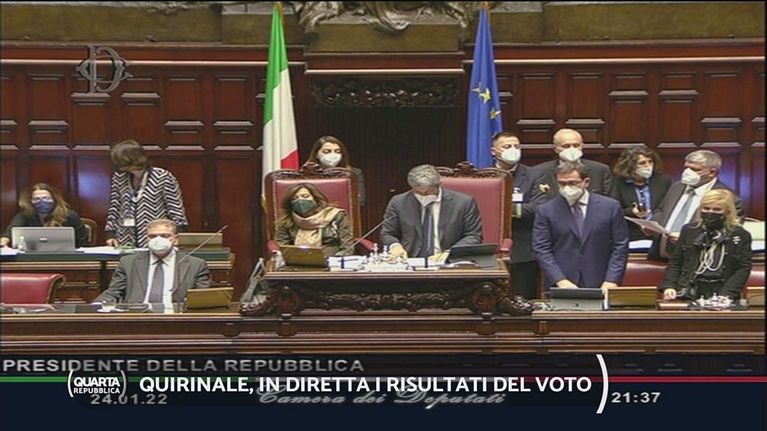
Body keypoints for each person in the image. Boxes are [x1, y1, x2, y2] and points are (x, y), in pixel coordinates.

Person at [533, 161, 629, 290]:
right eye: (562, 183)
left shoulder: (610, 207)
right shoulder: (546, 210)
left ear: (586, 182)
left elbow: (620, 246)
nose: (567, 188)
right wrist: (560, 280)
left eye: (573, 183)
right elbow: (542, 249)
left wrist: (611, 280)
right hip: (562, 284)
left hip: (601, 281)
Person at [647, 149, 744, 261]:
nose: (687, 172)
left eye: (695, 169)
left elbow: (727, 233)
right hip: (660, 258)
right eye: (686, 168)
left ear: (712, 172)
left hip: (697, 261)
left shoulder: (729, 199)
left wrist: (688, 239)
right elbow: (661, 211)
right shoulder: (676, 187)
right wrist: (652, 226)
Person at [491, 132, 555, 299]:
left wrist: (500, 208)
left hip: (523, 248)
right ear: (494, 151)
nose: (513, 150)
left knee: (523, 299)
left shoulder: (535, 175)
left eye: (516, 146)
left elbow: (538, 208)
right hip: (490, 247)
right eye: (507, 146)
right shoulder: (483, 174)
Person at [660, 189, 752, 300]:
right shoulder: (689, 230)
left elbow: (743, 268)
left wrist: (727, 293)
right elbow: (676, 261)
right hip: (689, 289)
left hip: (723, 291)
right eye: (706, 208)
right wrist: (669, 286)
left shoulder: (740, 234)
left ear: (728, 212)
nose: (710, 212)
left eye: (717, 209)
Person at [94, 219, 210, 304]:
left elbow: (202, 299)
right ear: (147, 239)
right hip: (137, 317)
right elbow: (114, 292)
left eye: (165, 236)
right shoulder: (128, 262)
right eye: (153, 236)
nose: (158, 240)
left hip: (177, 318)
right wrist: (97, 306)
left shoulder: (196, 265)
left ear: (175, 239)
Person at [381, 164, 483, 260]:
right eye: (418, 192)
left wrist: (451, 252)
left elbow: (474, 235)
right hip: (410, 260)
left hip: (449, 261)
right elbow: (388, 233)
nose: (423, 195)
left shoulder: (463, 203)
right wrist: (395, 246)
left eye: (428, 192)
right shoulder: (399, 202)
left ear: (439, 184)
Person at [105, 139, 189, 248]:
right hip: (125, 238)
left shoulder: (162, 176)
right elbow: (115, 207)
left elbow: (175, 208)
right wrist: (110, 234)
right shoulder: (119, 178)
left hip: (156, 237)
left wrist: (179, 234)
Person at [609, 145, 672, 241]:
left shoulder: (663, 181)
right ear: (630, 165)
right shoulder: (618, 183)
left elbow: (667, 207)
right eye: (642, 163)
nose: (648, 166)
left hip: (658, 233)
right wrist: (631, 211)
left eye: (650, 161)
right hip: (631, 235)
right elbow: (612, 211)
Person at [274, 182, 354, 256]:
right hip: (297, 260)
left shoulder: (335, 215)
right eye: (294, 198)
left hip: (332, 259)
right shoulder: (287, 219)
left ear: (315, 198)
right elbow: (282, 245)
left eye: (305, 196)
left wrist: (339, 259)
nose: (300, 201)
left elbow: (347, 245)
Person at [1, 183, 88, 248]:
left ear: (54, 199)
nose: (42, 202)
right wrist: (4, 241)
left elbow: (82, 241)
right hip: (33, 257)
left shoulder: (69, 215)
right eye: (36, 199)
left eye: (46, 198)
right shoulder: (24, 216)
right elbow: (10, 232)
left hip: (66, 256)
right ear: (30, 201)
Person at [532, 128, 612, 195]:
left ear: (582, 146)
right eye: (566, 146)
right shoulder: (539, 171)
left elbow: (609, 201)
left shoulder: (600, 170)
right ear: (555, 149)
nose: (572, 149)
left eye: (576, 145)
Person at [306, 136, 366, 207]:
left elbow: (360, 201)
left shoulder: (353, 173)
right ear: (316, 154)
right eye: (327, 151)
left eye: (338, 152)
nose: (333, 155)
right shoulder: (306, 174)